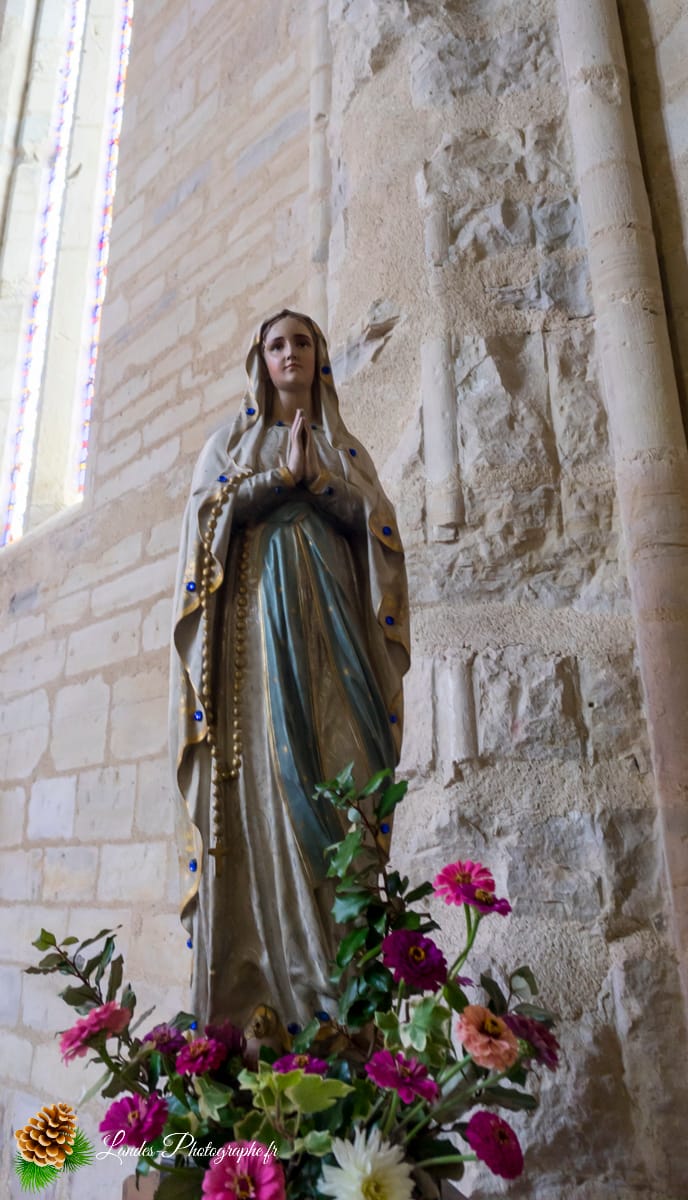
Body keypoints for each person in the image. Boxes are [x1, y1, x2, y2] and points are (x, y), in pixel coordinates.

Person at [170, 309, 409, 1026]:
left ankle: (351, 1002)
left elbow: (381, 534)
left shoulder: (345, 448)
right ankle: (272, 999)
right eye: (277, 344)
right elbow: (204, 528)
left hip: (338, 655)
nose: (290, 354)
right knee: (274, 793)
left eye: (302, 342)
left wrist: (325, 485)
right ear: (260, 361)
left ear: (319, 357)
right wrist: (278, 480)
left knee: (347, 798)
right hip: (259, 668)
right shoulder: (229, 444)